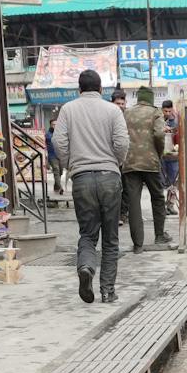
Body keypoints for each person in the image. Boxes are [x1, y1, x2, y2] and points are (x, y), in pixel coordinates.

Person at [53, 69, 128, 304]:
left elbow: (58, 142)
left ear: (79, 89)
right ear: (101, 90)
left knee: (87, 233)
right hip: (110, 178)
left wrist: (70, 164)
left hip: (82, 179)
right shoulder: (113, 110)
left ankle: (86, 267)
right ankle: (108, 291)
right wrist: (116, 162)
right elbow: (122, 142)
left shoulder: (68, 109)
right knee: (111, 238)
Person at [120, 86, 173, 252]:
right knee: (157, 198)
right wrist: (158, 152)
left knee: (133, 202)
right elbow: (159, 134)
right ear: (150, 98)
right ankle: (159, 235)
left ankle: (138, 243)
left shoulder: (126, 113)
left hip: (130, 163)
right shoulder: (155, 112)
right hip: (150, 163)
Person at [160, 98, 180, 212]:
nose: (167, 113)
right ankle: (161, 206)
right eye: (165, 111)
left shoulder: (177, 120)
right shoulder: (158, 120)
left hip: (173, 155)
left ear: (172, 109)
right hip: (161, 155)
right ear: (162, 110)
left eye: (169, 111)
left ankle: (170, 205)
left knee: (173, 181)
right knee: (161, 181)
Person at [46, 116, 65, 197]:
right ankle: (60, 188)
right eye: (53, 124)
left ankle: (56, 186)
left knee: (60, 172)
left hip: (60, 155)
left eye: (56, 124)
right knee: (56, 170)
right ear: (50, 125)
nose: (55, 126)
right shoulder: (48, 135)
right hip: (52, 156)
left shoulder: (61, 133)